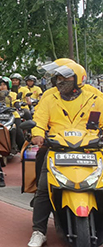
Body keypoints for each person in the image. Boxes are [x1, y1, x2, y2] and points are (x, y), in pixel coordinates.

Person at [26, 62, 103, 247]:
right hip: (57, 148)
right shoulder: (49, 95)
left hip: (90, 149)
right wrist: (37, 134)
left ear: (78, 80)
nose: (60, 82)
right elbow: (40, 119)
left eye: (65, 78)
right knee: (44, 188)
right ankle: (39, 231)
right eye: (58, 78)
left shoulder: (95, 96)